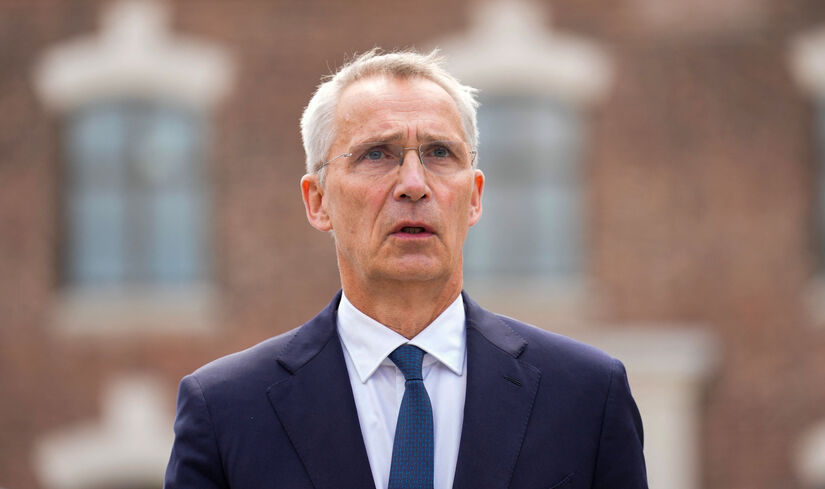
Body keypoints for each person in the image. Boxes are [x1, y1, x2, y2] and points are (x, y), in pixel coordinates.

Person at [164, 48, 647, 489]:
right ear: (318, 202)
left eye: (440, 153)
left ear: (474, 196)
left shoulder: (586, 397)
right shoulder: (226, 409)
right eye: (378, 154)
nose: (413, 185)